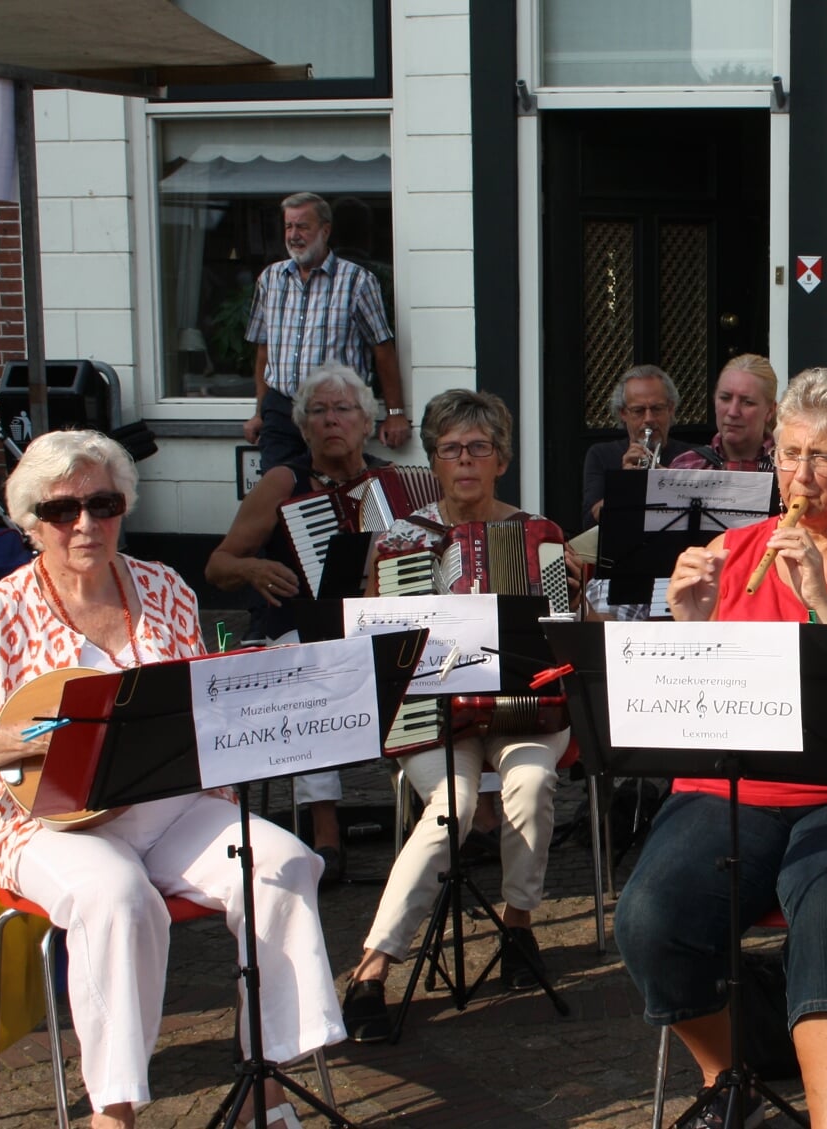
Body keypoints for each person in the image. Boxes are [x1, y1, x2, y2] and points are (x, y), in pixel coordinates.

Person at [0, 431, 341, 1129]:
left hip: (167, 806)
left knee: (282, 864)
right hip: (43, 820)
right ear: (30, 520)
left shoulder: (164, 585)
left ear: (124, 506)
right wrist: (30, 738)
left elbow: (200, 709)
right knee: (117, 897)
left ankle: (269, 1079)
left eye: (102, 504)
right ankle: (114, 1108)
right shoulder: (0, 609)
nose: (85, 524)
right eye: (61, 509)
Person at [615, 369, 827, 1129]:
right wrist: (689, 629)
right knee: (650, 913)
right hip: (744, 785)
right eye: (789, 453)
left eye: (824, 456)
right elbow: (694, 710)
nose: (800, 475)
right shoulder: (734, 550)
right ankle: (728, 1074)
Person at [339, 390, 572, 1041]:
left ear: (500, 459)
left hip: (524, 713)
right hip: (434, 718)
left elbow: (558, 638)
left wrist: (569, 613)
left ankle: (519, 928)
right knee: (453, 806)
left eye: (478, 447)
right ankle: (372, 967)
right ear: (434, 460)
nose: (464, 459)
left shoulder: (540, 535)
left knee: (531, 783)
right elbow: (375, 639)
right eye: (450, 448)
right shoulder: (404, 539)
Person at [207, 363, 390, 881]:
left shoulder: (390, 485)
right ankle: (325, 834)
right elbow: (217, 565)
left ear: (367, 421)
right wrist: (250, 566)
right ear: (304, 426)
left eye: (344, 409)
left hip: (370, 626)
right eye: (319, 411)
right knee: (312, 668)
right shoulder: (284, 482)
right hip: (295, 628)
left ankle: (455, 818)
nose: (332, 421)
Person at [244, 191, 407, 466]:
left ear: (325, 230)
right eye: (289, 226)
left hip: (336, 411)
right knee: (279, 490)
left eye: (303, 226)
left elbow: (383, 349)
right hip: (282, 409)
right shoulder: (270, 279)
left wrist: (395, 412)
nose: (294, 235)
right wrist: (259, 411)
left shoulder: (357, 281)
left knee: (336, 489)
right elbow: (263, 349)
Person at [580, 364, 702, 529]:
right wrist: (625, 483)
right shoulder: (600, 454)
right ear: (623, 413)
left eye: (657, 409)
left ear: (671, 409)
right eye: (638, 411)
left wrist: (667, 481)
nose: (649, 419)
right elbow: (590, 521)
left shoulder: (693, 455)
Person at [669, 353, 779, 472]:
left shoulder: (790, 469)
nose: (733, 412)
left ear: (770, 411)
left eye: (747, 402)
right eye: (725, 398)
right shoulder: (687, 466)